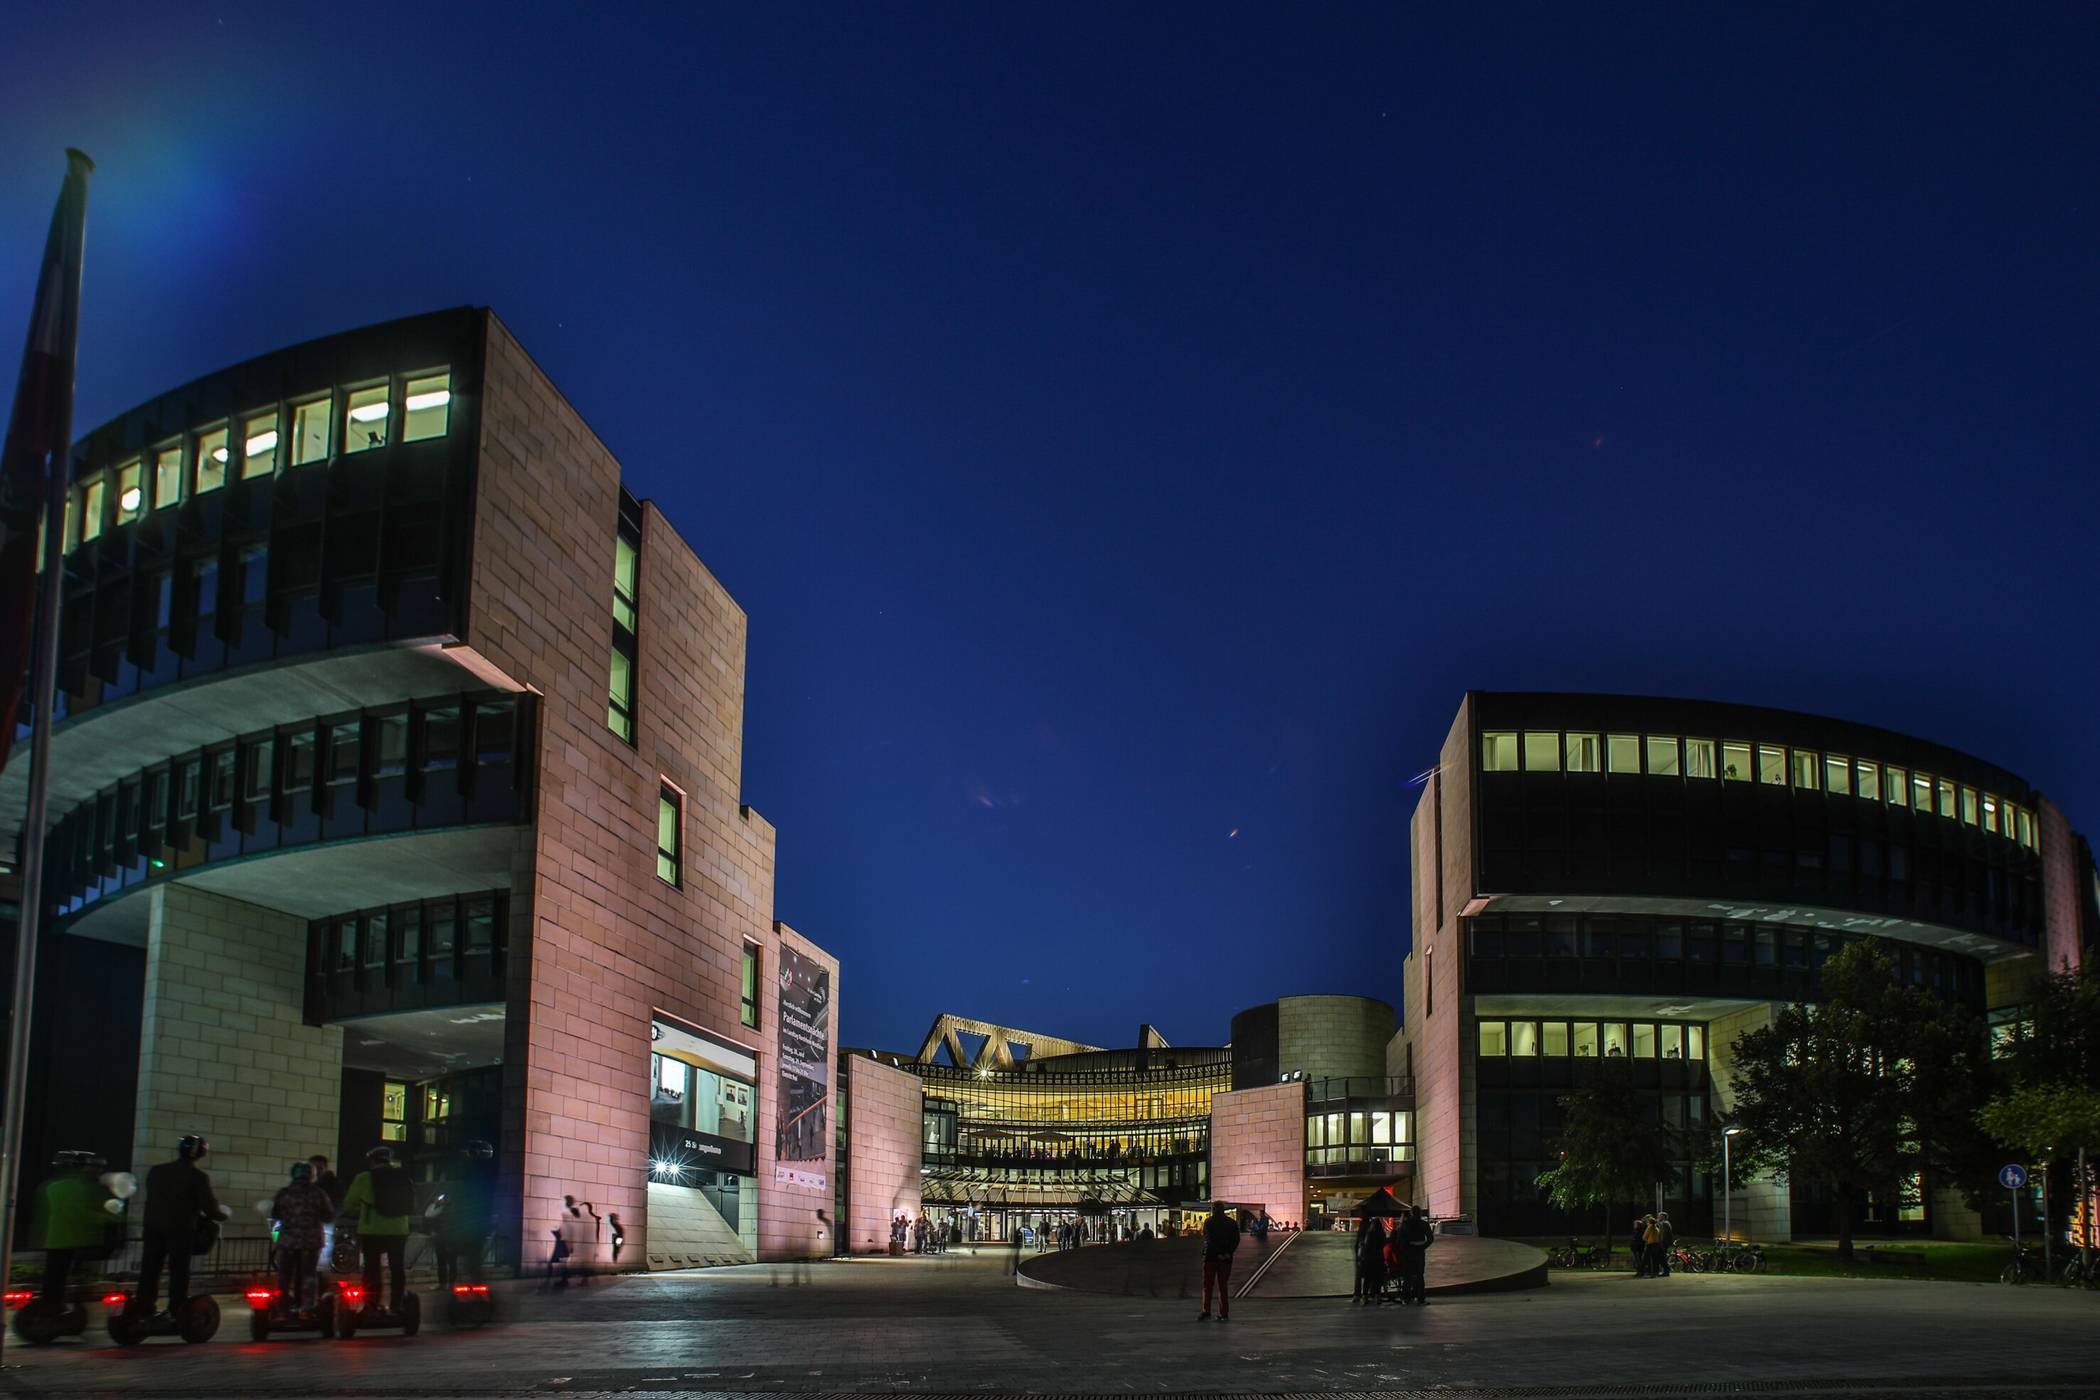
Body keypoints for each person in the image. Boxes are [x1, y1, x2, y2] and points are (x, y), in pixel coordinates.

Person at [136, 1135, 226, 1321]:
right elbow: (209, 1207)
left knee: (150, 1269)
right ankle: (176, 1308)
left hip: (153, 1227)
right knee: (179, 1270)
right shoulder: (197, 1177)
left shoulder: (156, 1171)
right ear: (200, 1153)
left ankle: (143, 1307)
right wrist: (221, 1215)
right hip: (180, 1229)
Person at [28, 1150, 122, 1307]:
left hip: (57, 1238)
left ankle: (53, 1305)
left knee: (56, 1274)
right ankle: (55, 1307)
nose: (98, 1170)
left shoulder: (53, 1185)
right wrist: (113, 1218)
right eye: (95, 1167)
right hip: (75, 1238)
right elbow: (79, 1213)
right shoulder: (79, 1186)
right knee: (62, 1275)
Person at [341, 1146, 416, 1311]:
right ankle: (397, 1305)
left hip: (372, 1230)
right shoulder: (403, 1176)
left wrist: (361, 1213)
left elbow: (350, 1205)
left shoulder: (364, 1178)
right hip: (398, 1230)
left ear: (372, 1161)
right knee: (397, 1267)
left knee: (372, 1268)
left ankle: (372, 1305)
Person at [269, 1160, 336, 1311]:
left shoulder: (284, 1193)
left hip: (288, 1241)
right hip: (311, 1241)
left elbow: (275, 1214)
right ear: (312, 1175)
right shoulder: (318, 1193)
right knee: (308, 1275)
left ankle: (282, 1307)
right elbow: (328, 1216)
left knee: (285, 1276)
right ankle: (307, 1307)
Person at [431, 1141, 495, 1289]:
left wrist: (444, 1201)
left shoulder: (466, 1171)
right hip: (479, 1224)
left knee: (447, 1249)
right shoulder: (488, 1173)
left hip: (463, 1223)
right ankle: (475, 1287)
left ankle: (453, 1284)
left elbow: (455, 1194)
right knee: (473, 1260)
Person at [1197, 1201, 1240, 1322]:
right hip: (1226, 1259)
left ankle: (1206, 1311)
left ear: (1213, 1209)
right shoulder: (1231, 1223)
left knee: (1207, 1285)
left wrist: (1218, 1253)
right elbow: (1236, 1239)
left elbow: (1209, 1239)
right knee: (1223, 1286)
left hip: (1210, 1257)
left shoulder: (1209, 1222)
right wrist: (1228, 1252)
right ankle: (1223, 1313)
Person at [1394, 1207, 1434, 1305]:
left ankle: (1406, 1298)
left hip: (1407, 1254)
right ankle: (1420, 1298)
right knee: (1419, 1276)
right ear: (1419, 1214)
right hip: (1419, 1253)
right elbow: (1430, 1239)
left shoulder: (1405, 1224)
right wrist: (1422, 1247)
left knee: (1407, 1276)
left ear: (1411, 1213)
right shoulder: (1423, 1224)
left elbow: (1399, 1240)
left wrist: (1406, 1248)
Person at [1358, 1217, 1388, 1304]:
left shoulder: (1370, 1234)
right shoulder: (1382, 1234)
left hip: (1369, 1259)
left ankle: (1365, 1296)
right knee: (1377, 1279)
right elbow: (1384, 1244)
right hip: (1379, 1259)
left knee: (1367, 1279)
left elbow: (1366, 1246)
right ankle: (1377, 1296)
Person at [1656, 1211, 1675, 1277]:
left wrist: (1660, 1242)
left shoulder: (1664, 1223)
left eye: (1659, 1216)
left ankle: (1666, 1271)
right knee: (1662, 1257)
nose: (1658, 1217)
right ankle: (1666, 1271)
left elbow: (1663, 1235)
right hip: (1664, 1243)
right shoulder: (1665, 1223)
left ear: (1663, 1217)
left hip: (1663, 1243)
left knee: (1662, 1257)